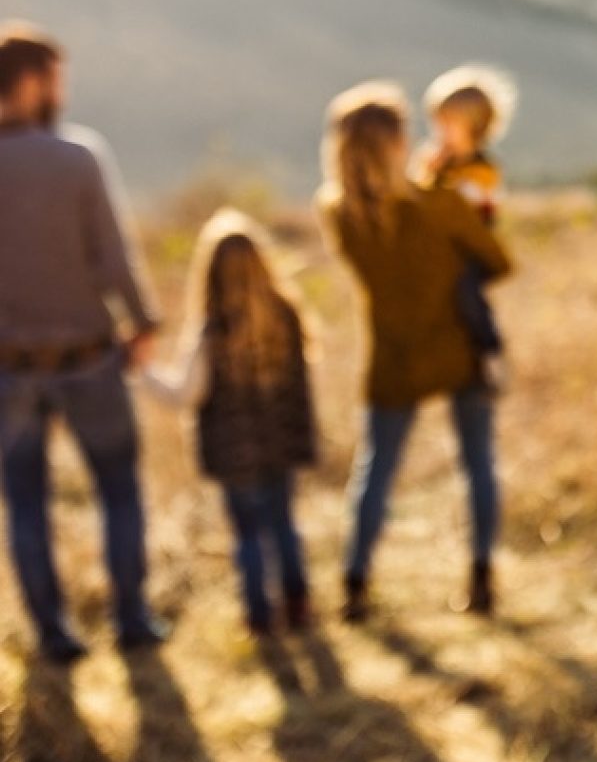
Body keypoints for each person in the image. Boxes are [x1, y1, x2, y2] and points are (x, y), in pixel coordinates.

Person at [0, 21, 168, 662]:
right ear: (35, 80)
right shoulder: (77, 157)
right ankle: (131, 617)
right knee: (119, 488)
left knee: (25, 503)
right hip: (88, 357)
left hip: (9, 368)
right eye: (55, 76)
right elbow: (114, 258)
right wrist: (144, 323)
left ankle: (53, 632)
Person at [317, 81, 511, 622]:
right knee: (478, 464)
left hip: (393, 354)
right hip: (459, 347)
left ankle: (354, 584)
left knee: (375, 470)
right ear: (396, 144)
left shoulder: (336, 212)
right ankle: (481, 578)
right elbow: (498, 261)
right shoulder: (441, 203)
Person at [142, 209, 318, 637]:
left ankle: (259, 618)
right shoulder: (287, 317)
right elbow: (305, 382)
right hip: (282, 445)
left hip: (234, 456)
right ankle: (297, 604)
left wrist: (141, 371)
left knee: (248, 536)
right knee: (283, 525)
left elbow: (183, 394)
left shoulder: (211, 331)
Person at [413, 64, 517, 383]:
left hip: (472, 251)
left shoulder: (483, 168)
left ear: (474, 126)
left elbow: (473, 210)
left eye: (448, 123)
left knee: (466, 290)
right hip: (439, 250)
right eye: (437, 122)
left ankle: (491, 348)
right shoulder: (437, 162)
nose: (440, 130)